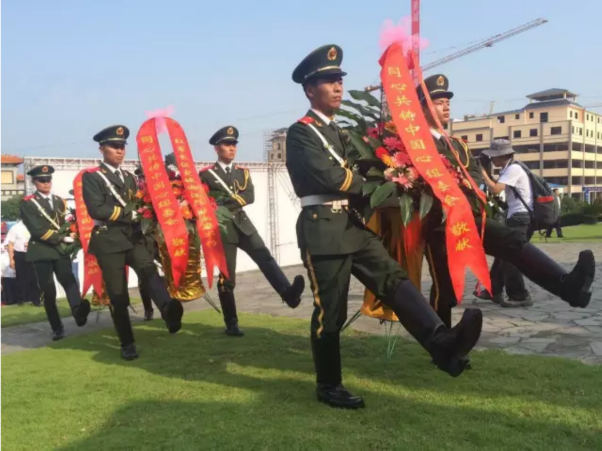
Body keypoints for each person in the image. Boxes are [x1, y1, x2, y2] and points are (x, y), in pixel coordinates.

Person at [285, 44, 484, 410]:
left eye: (340, 81)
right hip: (323, 228)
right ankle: (328, 385)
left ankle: (442, 344)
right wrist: (383, 186)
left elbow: (366, 166)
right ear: (310, 89)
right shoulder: (301, 134)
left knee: (394, 279)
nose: (338, 87)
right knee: (332, 312)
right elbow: (333, 177)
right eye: (329, 81)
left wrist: (393, 175)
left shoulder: (342, 134)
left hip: (352, 225)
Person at [418, 74, 595, 327]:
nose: (446, 106)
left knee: (511, 240)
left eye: (447, 101)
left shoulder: (457, 145)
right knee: (445, 284)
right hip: (437, 222)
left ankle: (567, 286)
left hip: (468, 218)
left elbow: (475, 176)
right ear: (421, 107)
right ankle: (442, 340)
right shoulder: (415, 143)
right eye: (438, 101)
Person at [82, 125, 184, 360]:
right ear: (102, 148)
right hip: (108, 239)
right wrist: (131, 214)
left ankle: (168, 310)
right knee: (118, 295)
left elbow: (139, 204)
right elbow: (96, 208)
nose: (119, 151)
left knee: (149, 271)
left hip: (133, 236)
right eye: (114, 146)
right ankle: (127, 342)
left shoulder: (129, 178)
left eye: (122, 147)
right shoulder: (93, 178)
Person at [199, 126, 305, 336]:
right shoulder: (206, 175)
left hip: (243, 225)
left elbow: (249, 196)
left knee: (265, 257)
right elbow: (204, 203)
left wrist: (222, 202)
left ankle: (289, 294)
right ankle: (231, 322)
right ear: (217, 148)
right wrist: (225, 203)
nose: (232, 149)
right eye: (227, 145)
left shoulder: (243, 172)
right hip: (222, 229)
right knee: (227, 278)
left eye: (234, 145)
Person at [20, 165, 91, 340]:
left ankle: (78, 313)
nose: (46, 183)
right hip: (42, 250)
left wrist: (72, 233)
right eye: (42, 180)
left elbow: (64, 223)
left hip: (60, 251)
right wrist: (60, 238)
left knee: (69, 280)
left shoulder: (60, 201)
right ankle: (56, 327)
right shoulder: (28, 203)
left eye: (48, 180)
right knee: (49, 291)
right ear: (34, 182)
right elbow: (36, 229)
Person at [480, 140, 534, 307]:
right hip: (516, 216)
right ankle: (492, 290)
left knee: (511, 257)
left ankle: (520, 295)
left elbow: (496, 189)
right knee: (502, 253)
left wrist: (482, 172)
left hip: (520, 218)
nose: (492, 160)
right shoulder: (509, 168)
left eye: (493, 157)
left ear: (502, 156)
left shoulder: (513, 169)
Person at [5, 219, 41, 305]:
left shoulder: (33, 225)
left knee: (34, 277)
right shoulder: (15, 228)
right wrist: (11, 259)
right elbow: (10, 244)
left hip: (33, 253)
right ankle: (21, 300)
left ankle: (36, 299)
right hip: (20, 254)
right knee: (21, 277)